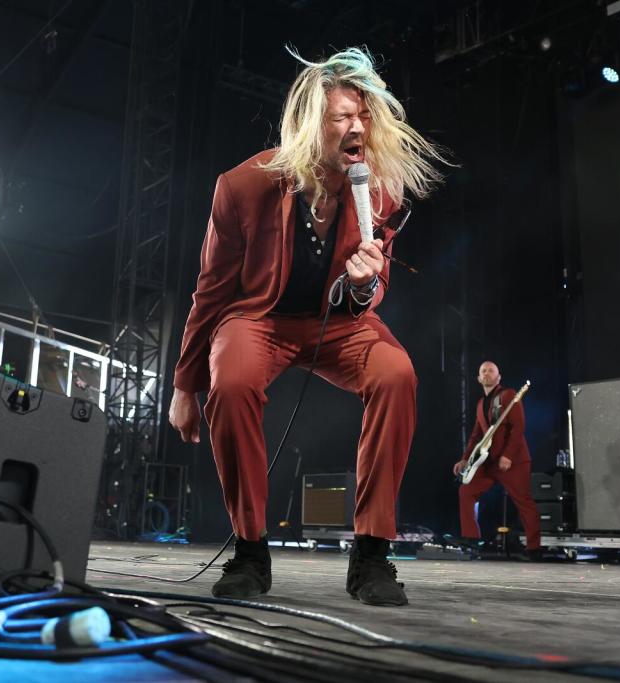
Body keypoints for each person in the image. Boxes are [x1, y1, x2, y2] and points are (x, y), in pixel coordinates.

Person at [168, 47, 447, 606]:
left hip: (337, 325)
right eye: (342, 117)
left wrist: (367, 283)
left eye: (364, 116)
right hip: (259, 318)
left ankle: (371, 555)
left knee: (396, 374)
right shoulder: (242, 186)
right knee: (233, 381)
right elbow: (212, 291)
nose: (357, 127)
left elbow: (374, 286)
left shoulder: (380, 190)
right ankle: (250, 551)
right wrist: (184, 383)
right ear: (308, 124)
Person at [452, 361, 542, 559]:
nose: (487, 373)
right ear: (478, 378)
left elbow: (518, 427)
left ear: (498, 377)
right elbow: (476, 435)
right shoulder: (479, 404)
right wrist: (465, 459)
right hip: (489, 461)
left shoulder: (508, 395)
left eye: (491, 370)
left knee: (524, 502)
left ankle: (534, 548)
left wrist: (508, 455)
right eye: (483, 370)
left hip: (513, 461)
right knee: (466, 490)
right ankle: (472, 538)